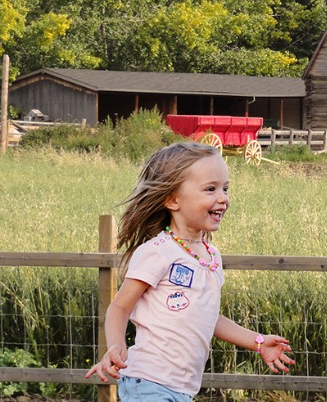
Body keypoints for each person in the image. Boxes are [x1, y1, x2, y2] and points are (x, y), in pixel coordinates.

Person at [85, 142, 294, 400]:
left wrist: (258, 342)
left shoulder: (211, 257)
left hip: (182, 389)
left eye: (225, 188)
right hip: (149, 382)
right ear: (173, 199)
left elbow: (208, 316)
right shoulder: (158, 252)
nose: (223, 198)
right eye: (210, 189)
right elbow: (119, 308)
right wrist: (116, 346)